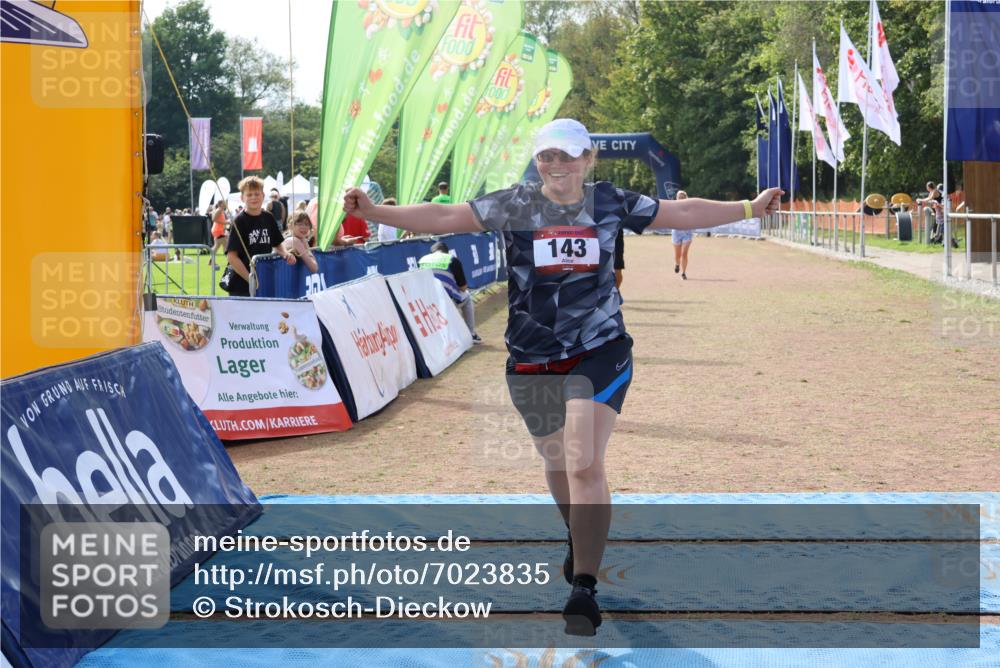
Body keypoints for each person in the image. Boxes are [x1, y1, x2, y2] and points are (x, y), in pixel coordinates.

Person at [343, 118, 782, 636]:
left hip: (600, 350)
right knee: (557, 465)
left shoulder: (610, 201)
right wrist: (375, 211)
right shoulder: (514, 204)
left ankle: (585, 589)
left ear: (588, 159)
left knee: (582, 462)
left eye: (568, 156)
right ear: (537, 161)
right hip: (531, 357)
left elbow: (679, 211)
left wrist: (749, 207)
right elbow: (445, 215)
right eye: (547, 156)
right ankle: (578, 534)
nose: (557, 165)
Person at [224, 176, 296, 297]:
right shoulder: (239, 221)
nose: (253, 197)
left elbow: (277, 243)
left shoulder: (268, 217)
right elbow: (232, 257)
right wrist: (250, 279)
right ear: (242, 197)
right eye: (249, 194)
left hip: (264, 279)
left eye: (257, 194)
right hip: (241, 285)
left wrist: (285, 253)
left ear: (263, 196)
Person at [418, 240, 481, 344]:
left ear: (432, 252)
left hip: (425, 301)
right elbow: (463, 287)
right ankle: (471, 334)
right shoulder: (452, 259)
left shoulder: (422, 260)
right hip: (445, 300)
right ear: (446, 252)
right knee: (467, 297)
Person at [671, 190, 693, 279]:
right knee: (677, 255)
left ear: (686, 198)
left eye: (683, 197)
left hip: (687, 232)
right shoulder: (672, 207)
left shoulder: (690, 208)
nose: (681, 198)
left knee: (684, 253)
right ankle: (677, 264)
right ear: (676, 198)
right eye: (679, 197)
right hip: (676, 232)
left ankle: (683, 273)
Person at [209, 199, 229, 269]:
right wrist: (226, 223)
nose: (226, 204)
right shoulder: (219, 210)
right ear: (221, 204)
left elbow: (218, 220)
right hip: (218, 231)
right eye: (224, 203)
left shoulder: (220, 210)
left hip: (218, 230)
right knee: (225, 246)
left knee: (217, 246)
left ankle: (211, 261)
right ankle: (230, 262)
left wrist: (226, 222)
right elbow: (214, 219)